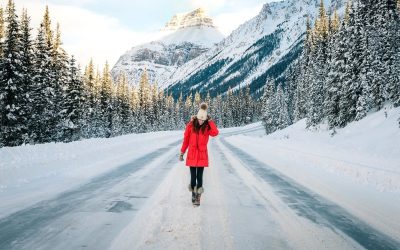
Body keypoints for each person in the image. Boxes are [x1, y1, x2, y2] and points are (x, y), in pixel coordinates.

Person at [179, 102, 219, 206]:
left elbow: (215, 133)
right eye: (200, 119)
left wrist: (210, 121)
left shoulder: (207, 127)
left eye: (203, 119)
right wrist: (182, 152)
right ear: (197, 117)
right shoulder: (190, 126)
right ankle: (193, 193)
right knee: (193, 177)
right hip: (192, 155)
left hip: (202, 155)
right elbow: (186, 140)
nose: (201, 121)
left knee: (199, 177)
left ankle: (198, 197)